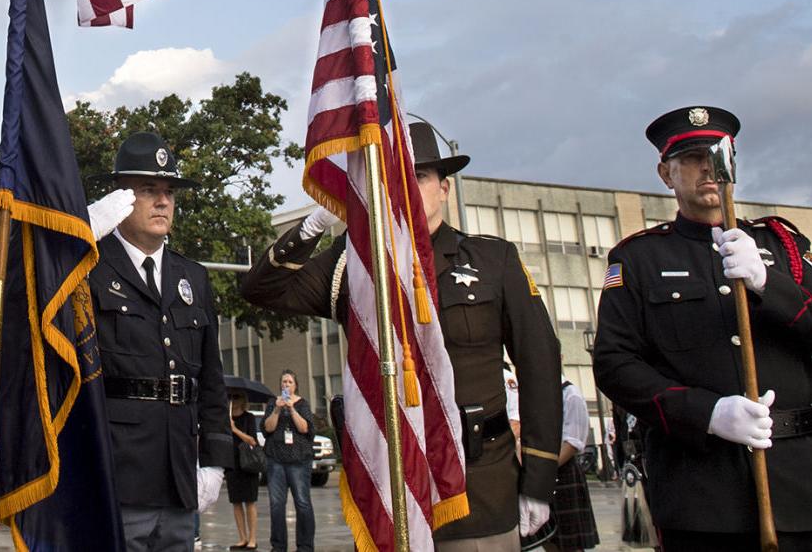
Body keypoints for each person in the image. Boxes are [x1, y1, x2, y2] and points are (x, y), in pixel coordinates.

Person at [240, 121, 563, 550]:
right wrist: (315, 223)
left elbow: (540, 365)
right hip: (387, 488)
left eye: (421, 176)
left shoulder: (492, 260)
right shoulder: (353, 263)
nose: (408, 187)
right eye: (396, 176)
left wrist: (538, 479)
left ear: (444, 188)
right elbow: (262, 290)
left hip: (479, 489)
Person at [592, 105, 812, 551]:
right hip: (700, 493)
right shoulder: (639, 259)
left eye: (719, 156)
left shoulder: (782, 246)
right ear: (666, 174)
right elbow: (615, 364)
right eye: (692, 158)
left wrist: (769, 284)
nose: (708, 168)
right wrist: (707, 413)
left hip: (800, 484)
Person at [86, 131, 233, 552]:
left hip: (179, 474)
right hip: (117, 474)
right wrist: (77, 238)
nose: (163, 201)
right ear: (120, 197)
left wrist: (215, 462)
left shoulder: (193, 277)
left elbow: (211, 380)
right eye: (149, 189)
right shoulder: (89, 267)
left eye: (169, 192)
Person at [261, 370, 315, 552]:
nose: (286, 384)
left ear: (295, 385)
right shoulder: (273, 403)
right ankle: (278, 546)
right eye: (284, 382)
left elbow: (305, 428)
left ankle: (305, 546)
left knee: (302, 503)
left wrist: (291, 408)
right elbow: (268, 428)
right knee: (276, 504)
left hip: (299, 460)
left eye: (290, 382)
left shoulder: (302, 404)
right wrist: (277, 409)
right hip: (276, 459)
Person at [544, 379, 598, 551]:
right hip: (543, 471)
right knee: (548, 539)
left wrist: (545, 469)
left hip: (563, 470)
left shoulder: (570, 393)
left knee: (570, 541)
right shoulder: (538, 393)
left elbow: (573, 443)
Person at [225, 394, 260, 550]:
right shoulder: (226, 418)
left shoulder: (249, 417)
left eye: (237, 397)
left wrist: (234, 429)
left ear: (243, 400)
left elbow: (252, 440)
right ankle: (242, 537)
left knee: (250, 501)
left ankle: (252, 538)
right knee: (236, 501)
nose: (233, 400)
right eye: (231, 397)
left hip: (247, 463)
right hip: (231, 462)